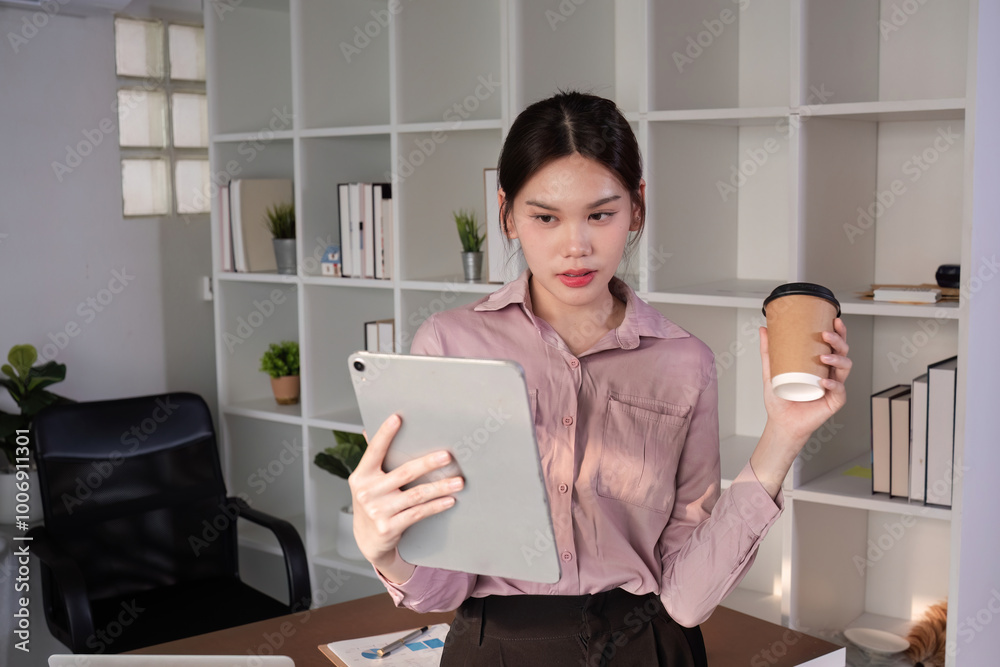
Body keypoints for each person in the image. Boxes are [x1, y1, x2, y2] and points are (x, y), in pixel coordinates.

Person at [348, 91, 851, 666]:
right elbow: (442, 591)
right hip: (498, 647)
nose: (576, 246)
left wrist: (783, 435)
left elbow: (687, 598)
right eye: (545, 217)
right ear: (507, 214)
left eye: (600, 214)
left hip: (650, 644)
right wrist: (385, 549)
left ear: (637, 207)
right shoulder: (449, 345)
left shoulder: (685, 361)